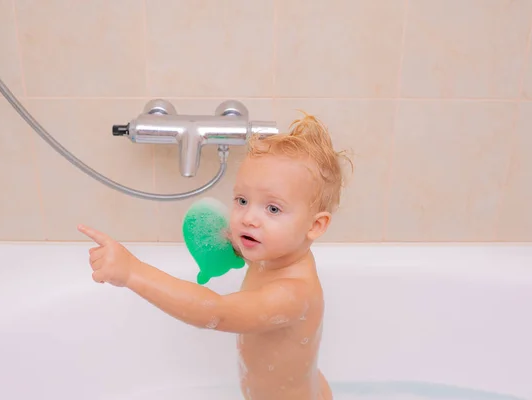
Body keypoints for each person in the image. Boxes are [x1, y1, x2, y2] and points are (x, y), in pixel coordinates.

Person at [78, 112, 352, 399]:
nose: (248, 218)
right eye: (242, 201)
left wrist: (133, 272)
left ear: (315, 225)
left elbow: (215, 314)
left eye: (272, 209)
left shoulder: (291, 293)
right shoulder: (278, 254)